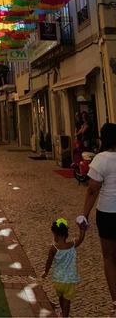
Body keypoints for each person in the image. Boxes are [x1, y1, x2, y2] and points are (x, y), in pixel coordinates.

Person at [82, 122, 116, 317]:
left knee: (110, 258)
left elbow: (92, 190)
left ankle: (115, 303)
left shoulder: (101, 160)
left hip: (108, 213)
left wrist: (84, 215)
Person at [42, 218, 85, 317]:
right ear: (66, 234)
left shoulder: (53, 248)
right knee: (67, 300)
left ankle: (61, 312)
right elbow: (80, 239)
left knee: (61, 296)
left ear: (55, 234)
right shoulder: (71, 245)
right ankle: (65, 315)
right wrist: (82, 229)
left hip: (58, 280)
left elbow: (49, 261)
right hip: (69, 280)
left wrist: (45, 272)